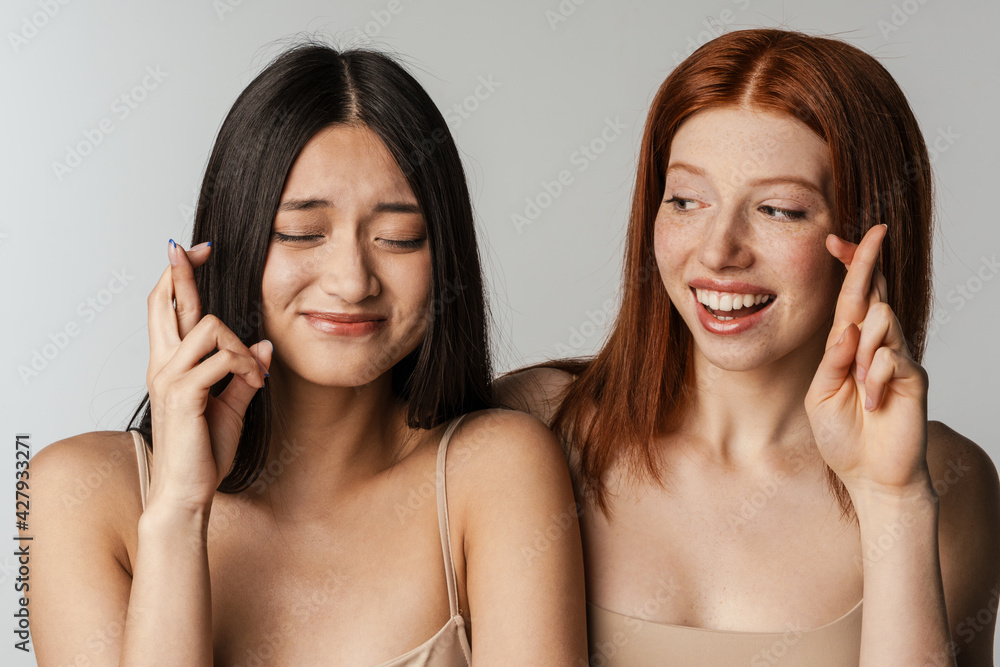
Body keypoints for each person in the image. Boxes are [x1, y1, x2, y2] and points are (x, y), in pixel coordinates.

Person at [26, 42, 586, 665]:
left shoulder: (498, 473)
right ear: (232, 242)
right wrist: (179, 514)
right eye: (301, 233)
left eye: (398, 237)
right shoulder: (78, 494)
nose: (352, 281)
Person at [497, 28, 1000, 665]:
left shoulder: (949, 481)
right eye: (685, 200)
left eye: (780, 210)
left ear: (868, 236)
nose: (717, 251)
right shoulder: (530, 427)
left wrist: (891, 499)